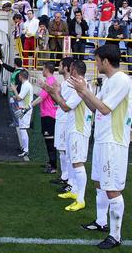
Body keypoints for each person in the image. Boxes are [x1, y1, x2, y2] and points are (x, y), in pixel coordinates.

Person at [69, 44, 132, 250]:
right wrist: (83, 93)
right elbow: (94, 106)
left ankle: (115, 236)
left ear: (105, 61)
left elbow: (104, 109)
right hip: (102, 139)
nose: (95, 64)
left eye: (96, 60)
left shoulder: (121, 80)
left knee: (112, 189)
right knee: (99, 183)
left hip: (114, 142)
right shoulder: (109, 81)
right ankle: (101, 222)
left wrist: (84, 91)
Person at [44, 59, 92, 212]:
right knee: (73, 160)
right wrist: (54, 93)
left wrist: (54, 93)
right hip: (73, 127)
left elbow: (64, 106)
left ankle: (80, 199)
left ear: (74, 71)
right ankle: (75, 191)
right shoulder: (77, 85)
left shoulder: (81, 86)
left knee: (77, 163)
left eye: (70, 69)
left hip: (79, 129)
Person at [49, 57, 73, 192]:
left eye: (60, 65)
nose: (58, 66)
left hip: (65, 119)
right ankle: (65, 176)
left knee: (65, 150)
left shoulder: (69, 84)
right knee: (61, 149)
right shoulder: (65, 83)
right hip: (61, 117)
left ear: (66, 67)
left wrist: (54, 91)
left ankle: (68, 178)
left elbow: (64, 102)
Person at [31, 62, 58, 174]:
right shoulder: (50, 81)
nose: (42, 71)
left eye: (42, 69)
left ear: (46, 69)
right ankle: (51, 162)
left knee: (50, 140)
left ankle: (53, 166)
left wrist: (28, 106)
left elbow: (41, 98)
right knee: (48, 140)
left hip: (49, 115)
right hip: (47, 114)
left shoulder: (50, 81)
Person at [12, 69, 33, 161]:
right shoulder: (26, 85)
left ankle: (26, 149)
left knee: (23, 129)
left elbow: (19, 98)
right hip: (24, 109)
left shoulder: (26, 85)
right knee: (22, 129)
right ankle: (24, 148)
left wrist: (14, 90)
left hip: (25, 110)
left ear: (20, 76)